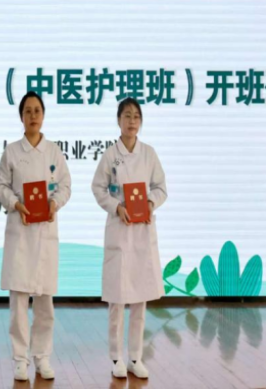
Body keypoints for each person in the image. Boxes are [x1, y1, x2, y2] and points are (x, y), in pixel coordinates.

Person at [0, 92, 71, 381]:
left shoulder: (54, 152)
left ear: (43, 115)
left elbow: (65, 185)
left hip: (45, 233)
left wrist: (55, 203)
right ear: (21, 117)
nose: (33, 115)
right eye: (28, 111)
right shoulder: (12, 152)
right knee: (18, 302)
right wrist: (15, 204)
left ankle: (42, 356)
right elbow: (0, 185)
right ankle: (20, 358)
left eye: (37, 110)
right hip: (21, 232)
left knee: (45, 302)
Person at [91, 98, 167, 380]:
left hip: (142, 233)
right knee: (117, 299)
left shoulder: (149, 154)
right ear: (119, 120)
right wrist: (116, 207)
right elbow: (98, 188)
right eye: (127, 116)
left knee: (140, 299)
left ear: (141, 121)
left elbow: (161, 188)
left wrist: (150, 203)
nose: (132, 121)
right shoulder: (111, 155)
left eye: (136, 116)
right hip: (120, 231)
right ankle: (116, 357)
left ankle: (136, 356)